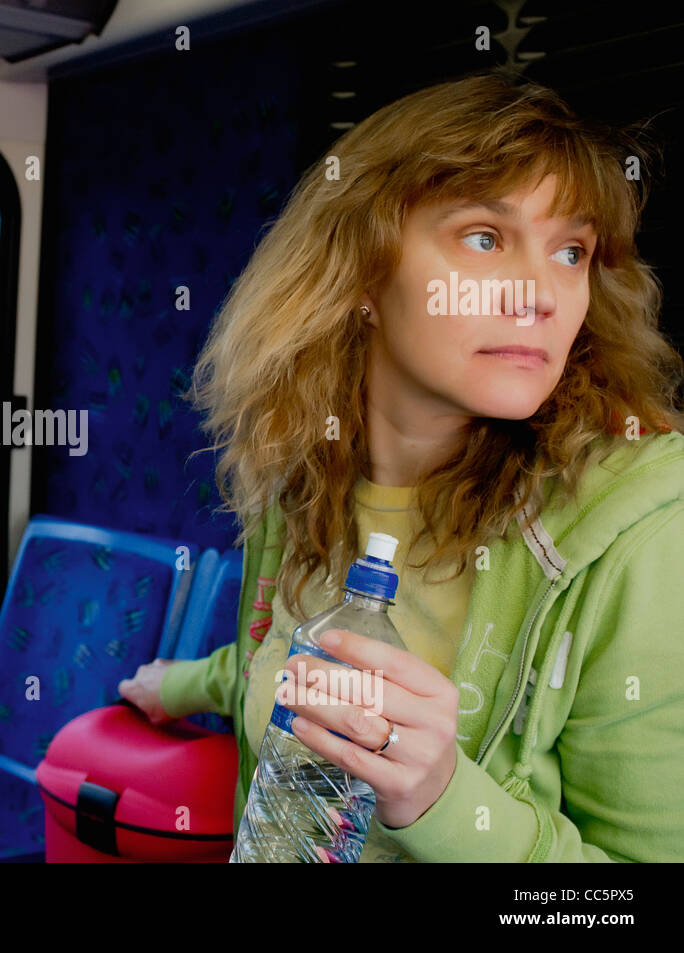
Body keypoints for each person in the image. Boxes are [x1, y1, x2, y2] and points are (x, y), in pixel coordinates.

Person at [118, 68, 684, 862]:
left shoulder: (643, 529)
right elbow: (297, 663)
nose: (543, 295)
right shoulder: (304, 477)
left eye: (571, 251)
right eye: (486, 237)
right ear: (362, 273)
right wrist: (177, 682)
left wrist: (443, 798)